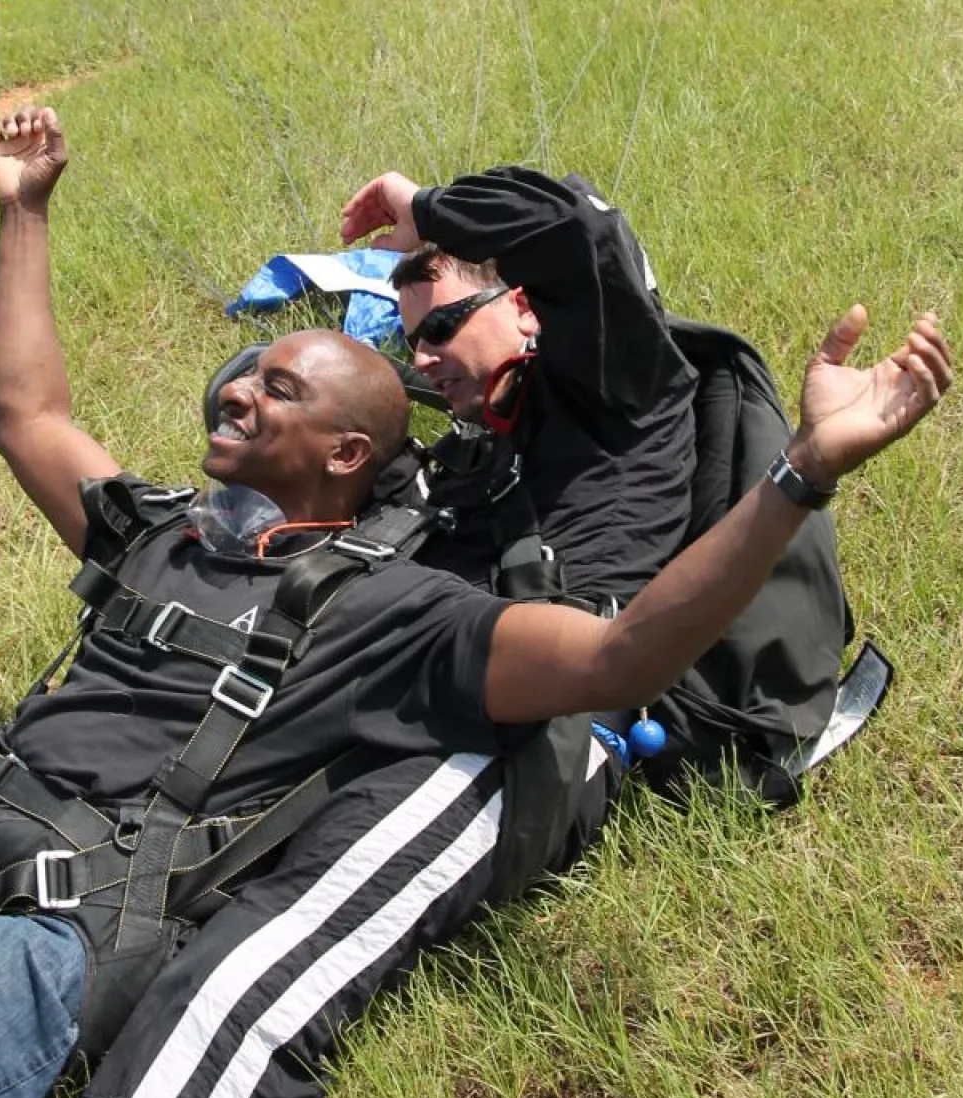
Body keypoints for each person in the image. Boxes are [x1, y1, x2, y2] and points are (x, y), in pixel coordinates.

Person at [0, 108, 951, 1098]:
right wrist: (25, 208)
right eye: (402, 334)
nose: (237, 389)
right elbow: (29, 414)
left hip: (128, 885)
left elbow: (608, 647)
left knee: (253, 968)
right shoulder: (224, 525)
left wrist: (796, 473)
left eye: (437, 323)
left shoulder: (611, 420)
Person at [341, 166, 852, 798]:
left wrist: (427, 207)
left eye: (442, 328)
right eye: (414, 340)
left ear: (525, 308)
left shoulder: (615, 387)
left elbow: (577, 227)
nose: (422, 357)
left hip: (544, 707)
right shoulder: (484, 444)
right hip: (429, 665)